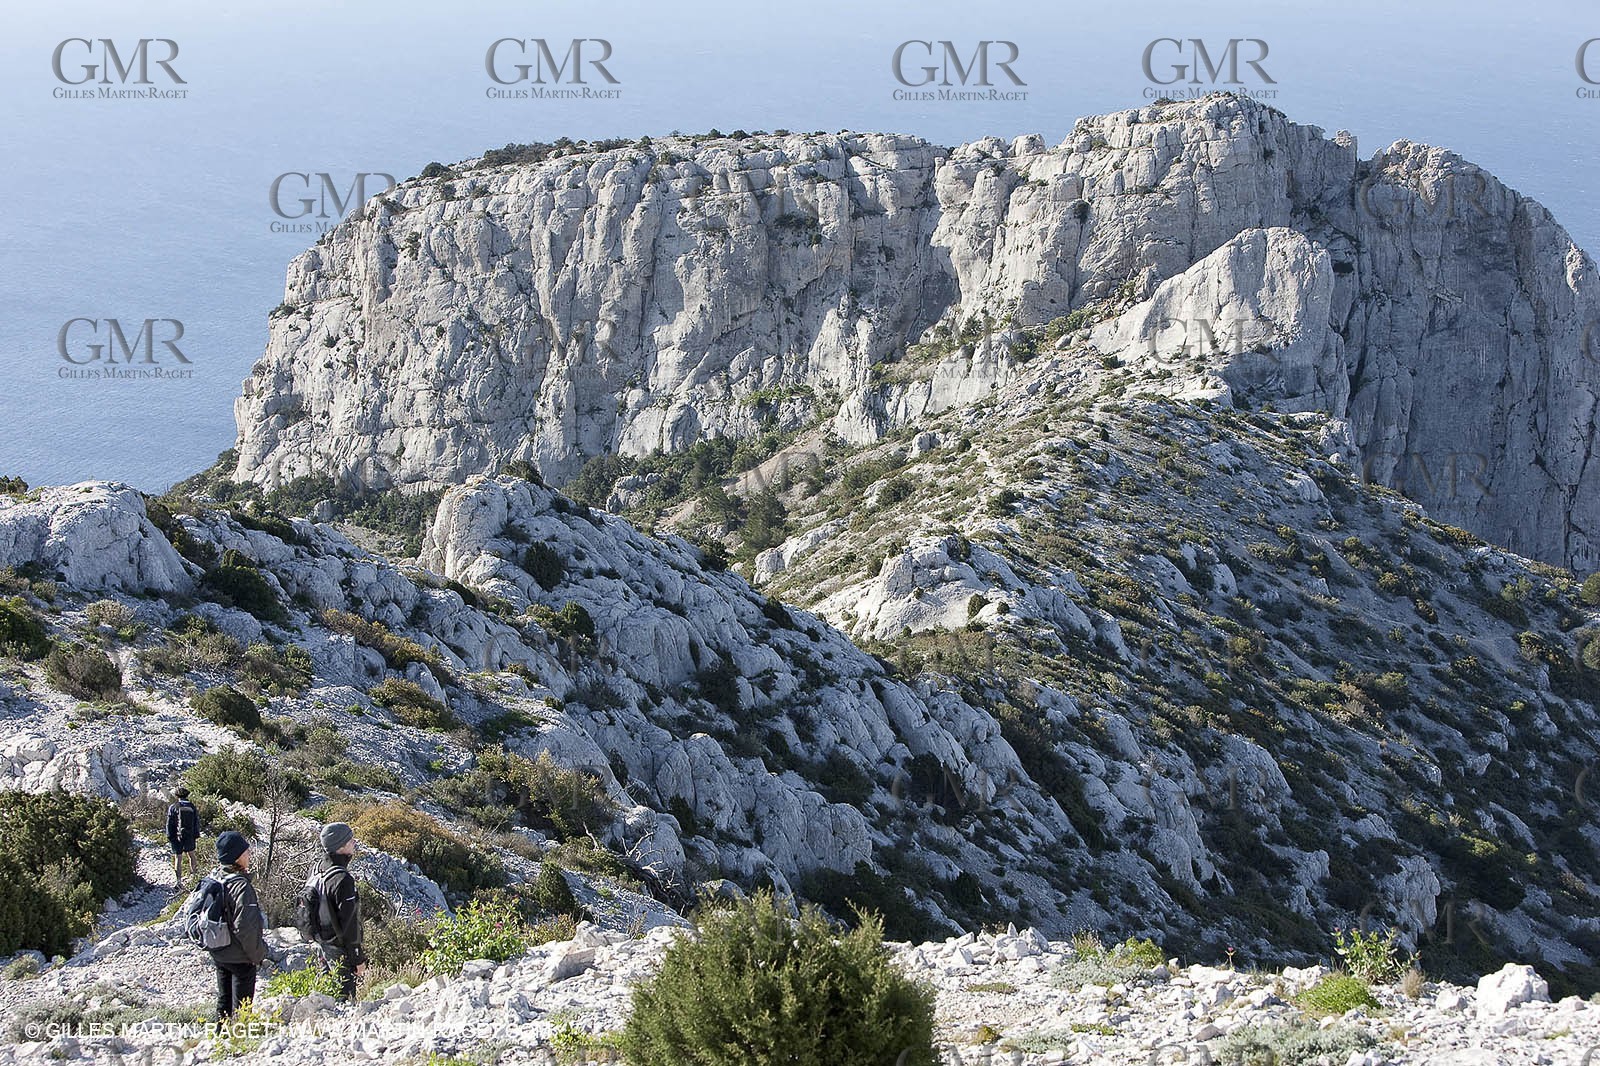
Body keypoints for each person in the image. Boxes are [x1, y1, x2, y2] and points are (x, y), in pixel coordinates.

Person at [209, 831, 266, 1021]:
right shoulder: (241, 886)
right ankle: (239, 1043)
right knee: (242, 1008)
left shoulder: (217, 879)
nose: (249, 854)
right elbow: (246, 927)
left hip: (220, 951)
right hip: (240, 957)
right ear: (237, 856)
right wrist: (257, 955)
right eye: (246, 851)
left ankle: (219, 1038)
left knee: (223, 1001)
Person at [311, 821, 366, 1000]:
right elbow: (349, 924)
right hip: (339, 949)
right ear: (340, 846)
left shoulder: (318, 870)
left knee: (328, 997)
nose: (354, 842)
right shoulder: (342, 879)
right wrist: (357, 958)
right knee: (345, 999)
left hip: (321, 944)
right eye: (350, 840)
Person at [165, 787, 200, 889]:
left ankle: (178, 881)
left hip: (177, 836)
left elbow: (169, 823)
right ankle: (194, 877)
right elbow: (196, 822)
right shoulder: (192, 807)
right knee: (191, 855)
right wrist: (195, 835)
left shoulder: (173, 807)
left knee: (178, 858)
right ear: (187, 795)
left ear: (177, 796)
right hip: (189, 835)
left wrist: (170, 836)